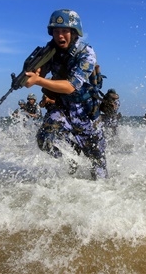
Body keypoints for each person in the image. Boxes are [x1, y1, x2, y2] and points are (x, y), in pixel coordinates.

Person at [24, 9, 108, 180]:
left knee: (99, 173)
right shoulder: (49, 51)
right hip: (62, 109)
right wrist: (34, 70)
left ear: (74, 33)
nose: (60, 36)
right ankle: (71, 160)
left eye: (64, 31)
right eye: (56, 31)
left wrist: (38, 81)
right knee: (44, 139)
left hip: (87, 115)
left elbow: (71, 86)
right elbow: (38, 70)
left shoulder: (86, 53)